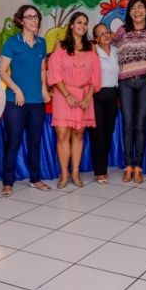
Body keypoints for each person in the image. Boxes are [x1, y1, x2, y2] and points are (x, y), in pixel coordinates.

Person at [0, 5, 52, 197]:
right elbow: (3, 72)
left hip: (37, 101)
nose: (34, 20)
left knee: (35, 141)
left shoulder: (42, 42)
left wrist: (44, 88)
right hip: (15, 101)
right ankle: (7, 182)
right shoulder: (12, 43)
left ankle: (35, 179)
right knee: (13, 141)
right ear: (20, 21)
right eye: (29, 17)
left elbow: (41, 69)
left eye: (36, 16)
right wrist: (16, 89)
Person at [113, 0, 146, 183]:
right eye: (133, 8)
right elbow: (110, 53)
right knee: (128, 123)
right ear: (129, 12)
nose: (137, 11)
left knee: (140, 124)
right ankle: (128, 166)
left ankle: (139, 166)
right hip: (125, 82)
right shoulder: (121, 31)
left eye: (140, 7)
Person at [48, 12, 101, 188]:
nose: (83, 26)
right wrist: (68, 95)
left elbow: (96, 75)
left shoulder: (90, 48)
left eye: (85, 23)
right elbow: (54, 73)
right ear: (71, 25)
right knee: (63, 134)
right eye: (79, 22)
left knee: (79, 134)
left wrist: (87, 97)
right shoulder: (60, 46)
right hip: (64, 96)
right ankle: (64, 174)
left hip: (84, 96)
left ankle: (75, 172)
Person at [89, 23, 119, 185]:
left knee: (108, 132)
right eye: (101, 34)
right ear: (95, 39)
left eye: (107, 32)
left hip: (112, 94)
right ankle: (100, 171)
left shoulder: (116, 51)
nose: (106, 35)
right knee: (97, 134)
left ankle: (103, 165)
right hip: (96, 95)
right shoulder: (93, 52)